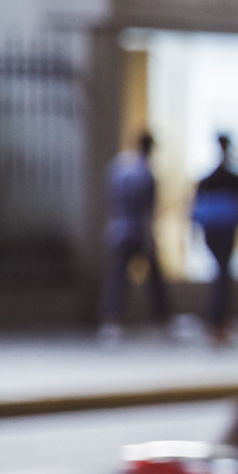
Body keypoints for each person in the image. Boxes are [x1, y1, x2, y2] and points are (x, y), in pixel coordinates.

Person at [99, 131, 172, 343]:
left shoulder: (119, 166)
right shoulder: (146, 173)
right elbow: (146, 211)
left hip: (118, 228)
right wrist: (151, 238)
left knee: (118, 278)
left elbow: (110, 199)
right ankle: (162, 319)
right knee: (154, 279)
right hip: (137, 231)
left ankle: (112, 321)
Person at [192, 133, 238, 345]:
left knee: (221, 274)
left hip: (212, 231)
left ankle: (217, 320)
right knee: (223, 275)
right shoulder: (233, 178)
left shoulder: (208, 178)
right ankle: (218, 320)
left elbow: (194, 208)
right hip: (226, 231)